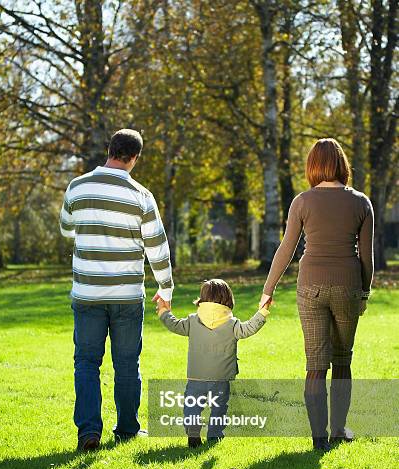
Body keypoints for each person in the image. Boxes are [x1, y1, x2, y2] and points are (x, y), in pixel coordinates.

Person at [59, 129, 174, 450]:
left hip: (87, 292)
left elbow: (67, 229)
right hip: (126, 295)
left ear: (109, 149)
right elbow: (158, 248)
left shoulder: (77, 187)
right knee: (126, 364)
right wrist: (166, 287)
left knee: (86, 362)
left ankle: (88, 432)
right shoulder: (141, 196)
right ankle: (126, 428)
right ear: (135, 158)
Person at [259, 138, 374, 452]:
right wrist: (363, 293)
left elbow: (287, 249)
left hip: (310, 287)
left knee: (315, 364)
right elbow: (367, 257)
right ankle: (339, 430)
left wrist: (267, 289)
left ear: (313, 166)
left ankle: (318, 438)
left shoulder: (302, 201)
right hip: (349, 286)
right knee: (342, 360)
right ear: (342, 166)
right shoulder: (362, 202)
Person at [157, 278, 270, 447]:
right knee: (219, 408)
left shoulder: (192, 321)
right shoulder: (232, 324)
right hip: (221, 377)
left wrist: (163, 311)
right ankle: (215, 435)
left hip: (196, 376)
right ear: (228, 299)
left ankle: (193, 430)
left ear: (202, 298)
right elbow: (249, 328)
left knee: (192, 405)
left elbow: (174, 325)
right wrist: (262, 311)